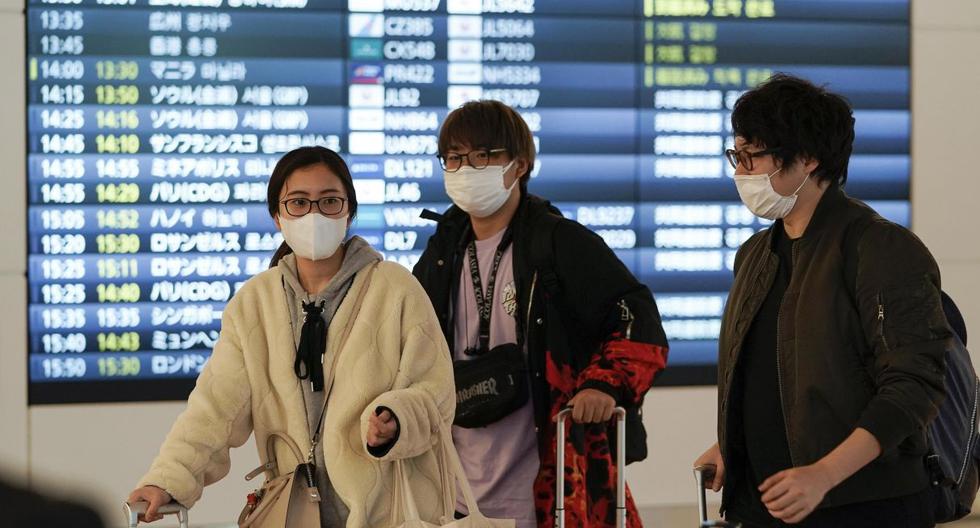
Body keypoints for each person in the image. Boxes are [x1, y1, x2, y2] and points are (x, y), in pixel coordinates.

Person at [128, 146, 455, 527]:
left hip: (389, 511)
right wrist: (165, 481)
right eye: (299, 202)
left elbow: (437, 392)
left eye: (329, 201)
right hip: (294, 512)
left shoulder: (395, 287)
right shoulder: (255, 303)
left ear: (349, 211)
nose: (314, 214)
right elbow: (214, 410)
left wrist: (396, 419)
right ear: (277, 215)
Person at [693, 74, 950, 527]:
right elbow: (771, 375)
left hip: (861, 506)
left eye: (754, 157)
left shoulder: (880, 249)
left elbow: (914, 386)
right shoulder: (754, 255)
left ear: (808, 159)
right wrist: (734, 444)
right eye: (737, 155)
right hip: (766, 503)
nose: (741, 172)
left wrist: (824, 474)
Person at [413, 100, 669, 528]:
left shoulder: (559, 244)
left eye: (482, 156)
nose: (465, 169)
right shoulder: (441, 254)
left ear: (520, 164)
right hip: (455, 494)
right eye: (454, 158)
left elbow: (638, 322)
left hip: (554, 487)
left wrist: (602, 386)